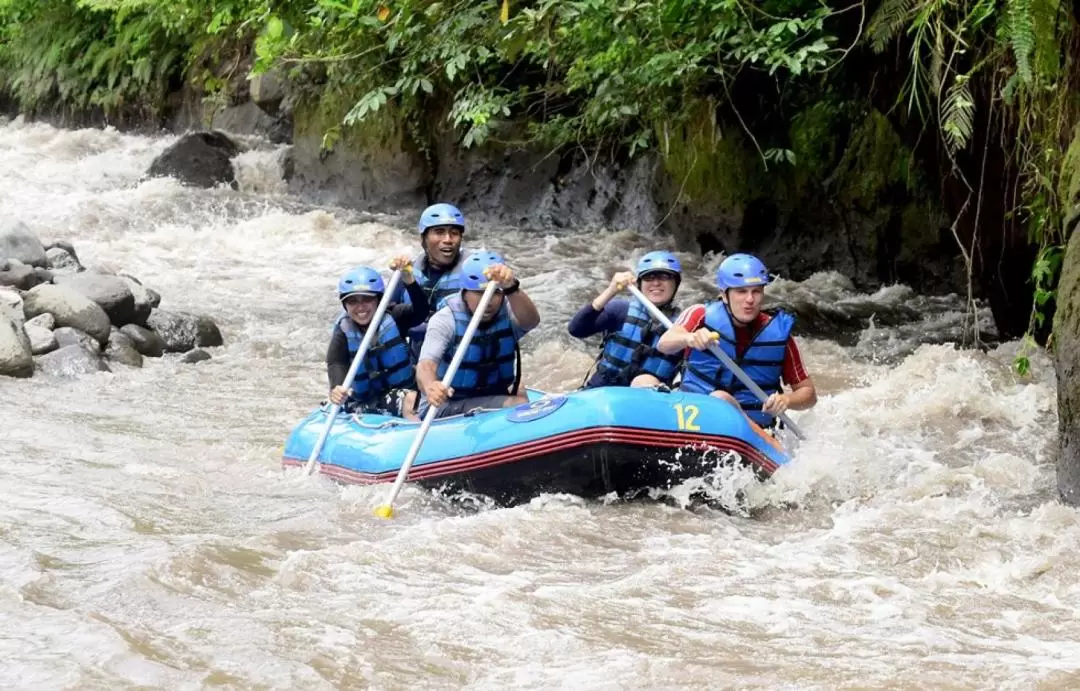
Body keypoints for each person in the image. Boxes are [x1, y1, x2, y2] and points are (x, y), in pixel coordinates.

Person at [656, 252, 817, 428]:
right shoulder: (699, 314)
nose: (750, 300)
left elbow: (808, 394)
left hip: (752, 432)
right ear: (724, 295)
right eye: (741, 292)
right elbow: (665, 343)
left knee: (721, 399)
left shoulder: (780, 336)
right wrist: (690, 338)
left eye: (756, 291)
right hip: (691, 416)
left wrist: (786, 400)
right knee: (719, 398)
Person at [415, 250, 541, 419]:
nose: (487, 301)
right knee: (518, 404)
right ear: (465, 292)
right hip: (446, 405)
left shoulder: (509, 310)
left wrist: (511, 287)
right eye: (479, 294)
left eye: (495, 293)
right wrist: (431, 386)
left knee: (520, 389)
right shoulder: (445, 320)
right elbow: (426, 366)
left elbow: (531, 321)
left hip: (489, 393)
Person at [326, 257, 428, 419]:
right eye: (352, 301)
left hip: (404, 387)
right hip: (365, 401)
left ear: (379, 300)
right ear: (345, 305)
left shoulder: (394, 316)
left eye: (367, 299)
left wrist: (409, 282)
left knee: (425, 376)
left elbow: (421, 312)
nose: (360, 307)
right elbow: (336, 363)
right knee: (409, 399)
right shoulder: (343, 333)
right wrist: (337, 389)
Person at [568, 250, 685, 389]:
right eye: (649, 277)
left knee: (645, 381)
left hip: (647, 401)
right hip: (603, 392)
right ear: (640, 283)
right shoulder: (620, 310)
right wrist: (610, 291)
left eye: (665, 277)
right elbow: (576, 329)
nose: (656, 283)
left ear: (676, 283)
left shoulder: (684, 325)